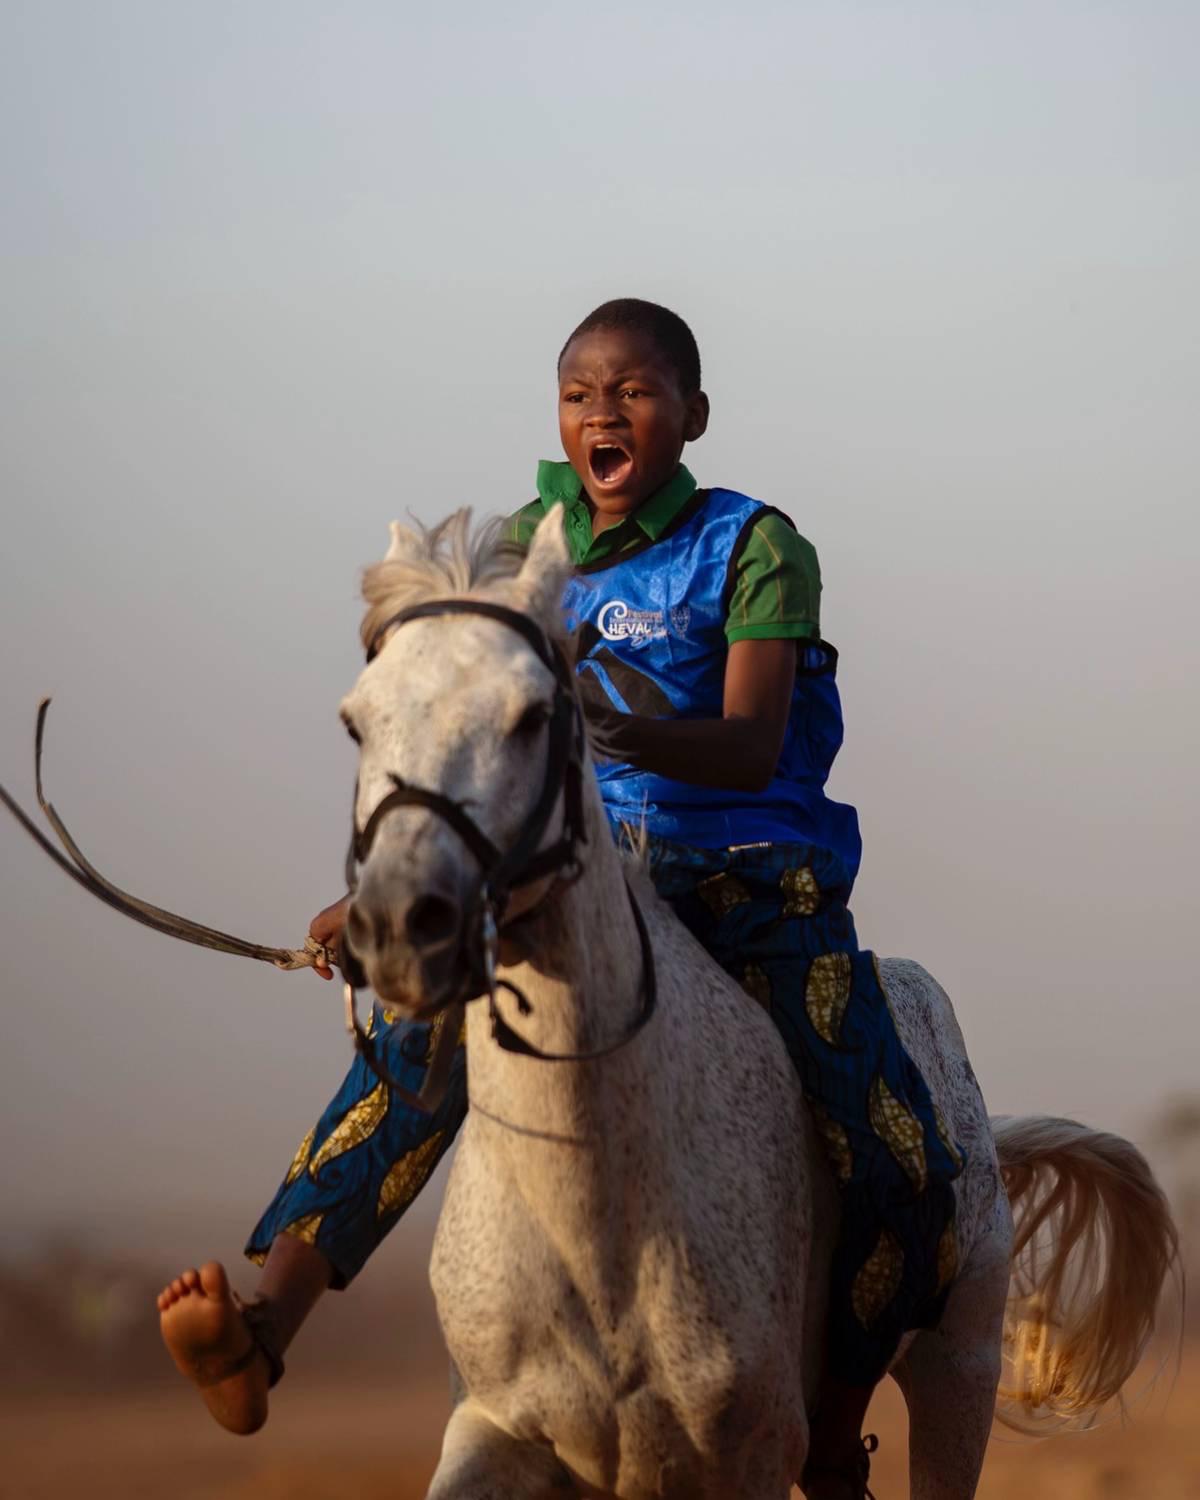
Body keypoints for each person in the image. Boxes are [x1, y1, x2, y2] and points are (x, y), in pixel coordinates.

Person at [157, 298, 963, 1500]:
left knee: (898, 1157)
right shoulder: (526, 549)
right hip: (571, 880)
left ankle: (835, 1431)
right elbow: (458, 734)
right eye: (580, 394)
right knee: (415, 1050)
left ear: (692, 414)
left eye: (633, 391)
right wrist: (397, 884)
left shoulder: (755, 544)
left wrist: (601, 719)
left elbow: (751, 742)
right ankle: (267, 1327)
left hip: (750, 889)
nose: (603, 413)